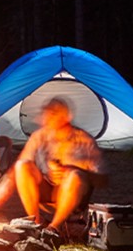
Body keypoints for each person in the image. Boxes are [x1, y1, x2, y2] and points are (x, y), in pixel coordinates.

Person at [13, 97, 107, 237]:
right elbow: (19, 166)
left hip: (74, 192)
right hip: (48, 189)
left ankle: (54, 228)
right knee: (22, 166)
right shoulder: (39, 136)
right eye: (48, 113)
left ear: (66, 117)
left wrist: (74, 169)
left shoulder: (83, 139)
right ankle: (36, 223)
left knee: (74, 176)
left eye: (54, 114)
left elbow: (103, 179)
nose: (49, 118)